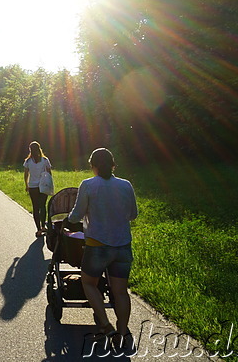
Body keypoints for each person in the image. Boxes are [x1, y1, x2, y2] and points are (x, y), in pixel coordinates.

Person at [67, 148, 138, 351]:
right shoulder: (126, 185)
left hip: (98, 245)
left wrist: (69, 220)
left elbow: (77, 214)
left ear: (93, 166)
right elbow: (133, 214)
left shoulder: (88, 185)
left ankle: (106, 325)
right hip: (122, 245)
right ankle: (122, 333)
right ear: (113, 164)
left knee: (89, 283)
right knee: (121, 292)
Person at [23, 141, 52, 237]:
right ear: (40, 148)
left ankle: (38, 230)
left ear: (30, 150)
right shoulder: (45, 160)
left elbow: (26, 174)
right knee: (43, 206)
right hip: (43, 186)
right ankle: (44, 226)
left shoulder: (28, 161)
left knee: (35, 208)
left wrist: (26, 185)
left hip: (33, 187)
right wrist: (49, 184)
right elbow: (49, 173)